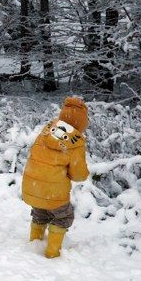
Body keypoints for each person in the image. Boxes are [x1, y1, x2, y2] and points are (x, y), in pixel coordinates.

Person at [21, 96, 90, 258]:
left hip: (32, 185)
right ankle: (52, 253)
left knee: (41, 213)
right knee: (63, 216)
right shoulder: (76, 142)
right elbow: (79, 175)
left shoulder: (48, 129)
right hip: (53, 191)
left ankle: (34, 244)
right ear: (81, 124)